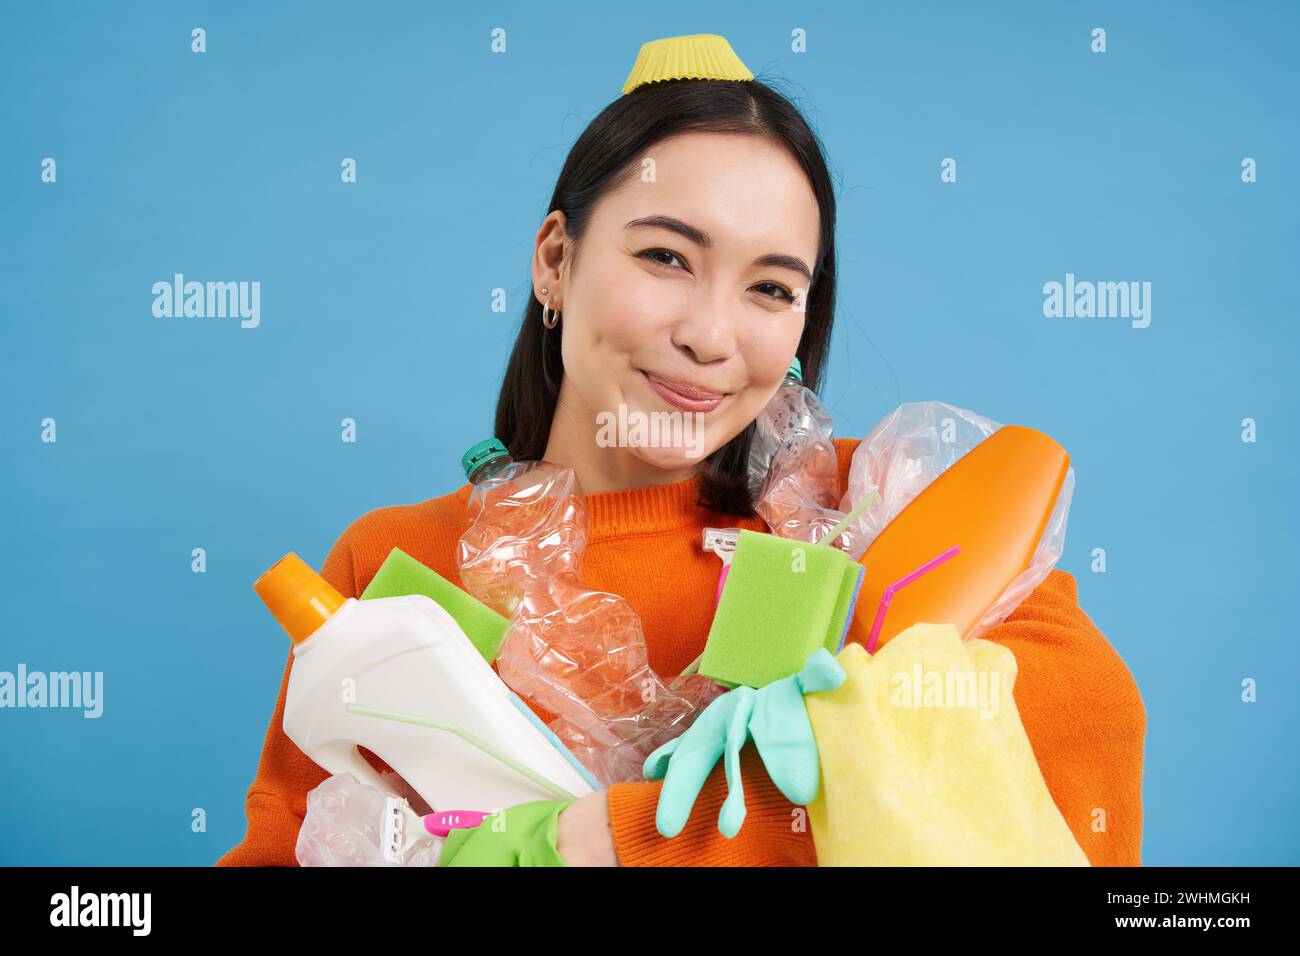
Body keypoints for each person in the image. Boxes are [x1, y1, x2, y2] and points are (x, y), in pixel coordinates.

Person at [217, 35, 1145, 867]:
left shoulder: (875, 514)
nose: (711, 335)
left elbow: (1081, 724)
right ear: (555, 260)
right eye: (666, 257)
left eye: (772, 289)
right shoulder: (407, 568)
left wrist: (617, 842)